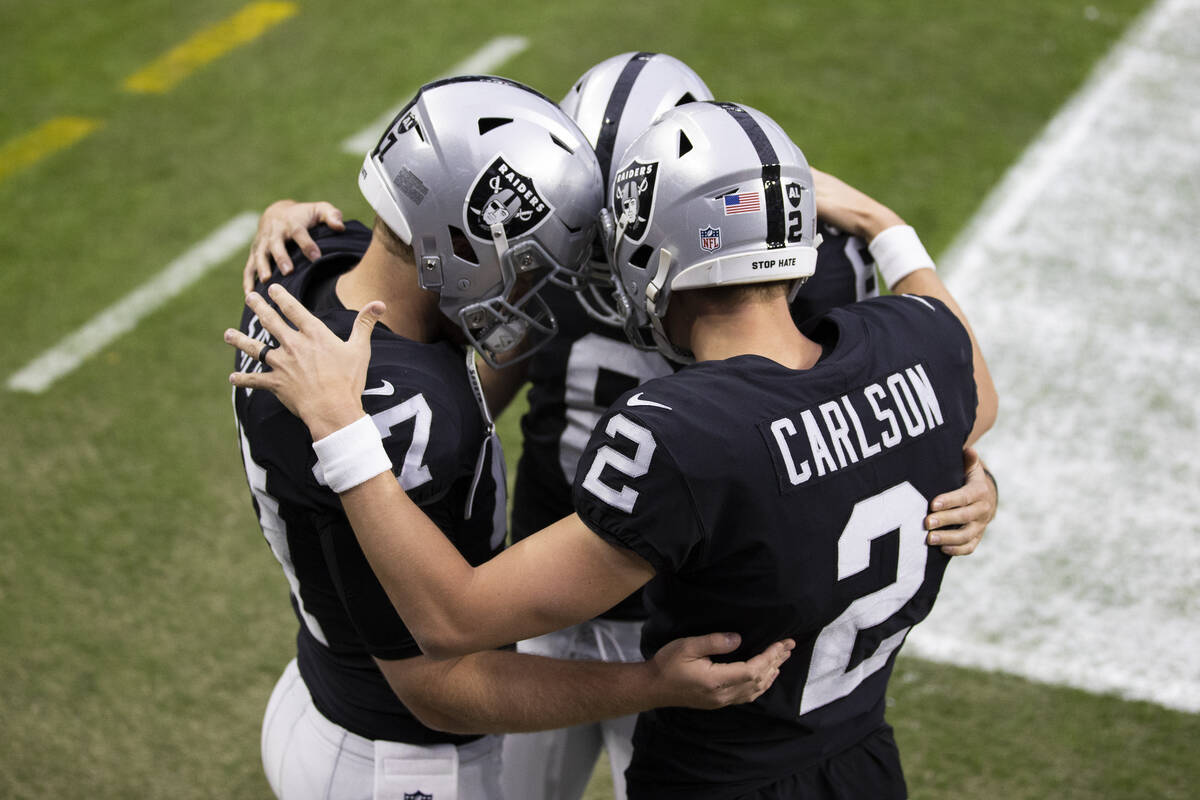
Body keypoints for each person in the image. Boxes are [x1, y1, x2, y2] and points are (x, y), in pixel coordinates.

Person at [242, 53, 998, 799]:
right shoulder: (876, 320)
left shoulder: (689, 429)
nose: (595, 262)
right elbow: (923, 402)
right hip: (553, 583)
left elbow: (448, 618)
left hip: (662, 607)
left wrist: (971, 473)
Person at [232, 77, 795, 800]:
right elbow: (438, 685)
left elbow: (328, 230)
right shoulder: (405, 416)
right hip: (398, 756)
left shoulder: (304, 259)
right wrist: (649, 683)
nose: (533, 290)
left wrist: (278, 212)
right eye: (528, 262)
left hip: (319, 688)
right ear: (456, 241)